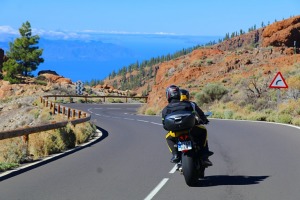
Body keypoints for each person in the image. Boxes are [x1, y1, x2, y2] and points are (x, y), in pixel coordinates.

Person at [162, 85, 213, 167]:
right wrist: (204, 120)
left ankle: (175, 155)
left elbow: (164, 124)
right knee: (203, 131)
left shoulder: (165, 109)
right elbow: (199, 114)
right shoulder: (188, 104)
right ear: (179, 94)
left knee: (168, 137)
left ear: (168, 95)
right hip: (191, 129)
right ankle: (204, 155)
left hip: (176, 133)